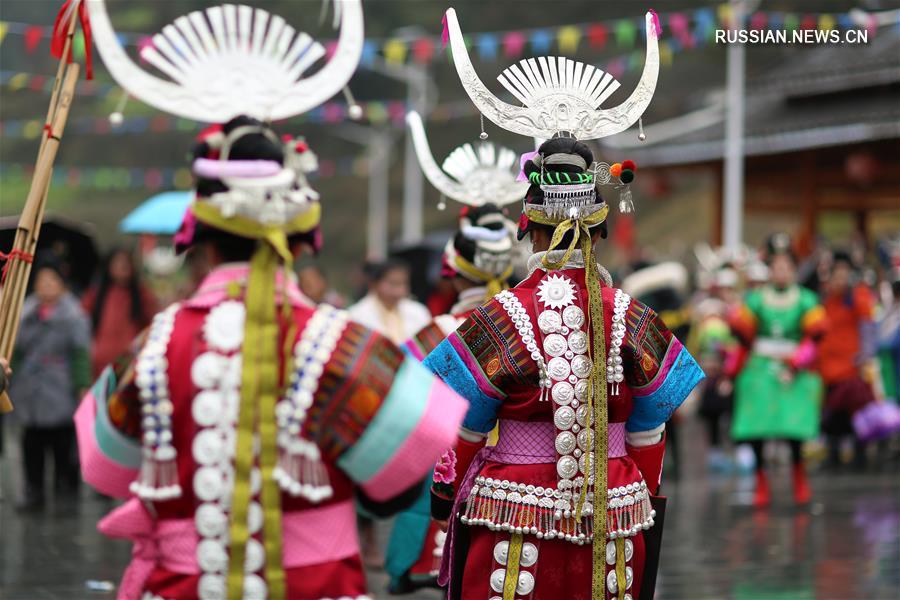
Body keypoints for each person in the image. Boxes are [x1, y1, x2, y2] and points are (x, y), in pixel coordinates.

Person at [74, 113, 468, 600]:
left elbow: (103, 458)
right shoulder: (341, 343)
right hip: (315, 585)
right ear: (296, 240)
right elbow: (403, 473)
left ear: (201, 245)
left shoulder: (154, 344)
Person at [424, 135, 703, 600]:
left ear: (530, 228)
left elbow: (463, 426)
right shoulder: (633, 316)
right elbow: (650, 427)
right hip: (615, 517)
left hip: (514, 521)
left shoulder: (497, 319)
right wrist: (641, 490)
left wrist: (445, 496)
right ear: (598, 231)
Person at [386, 204, 516, 594]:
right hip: (517, 472)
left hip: (448, 459)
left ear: (454, 274)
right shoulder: (521, 324)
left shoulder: (439, 332)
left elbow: (398, 392)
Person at [728, 234, 827, 507]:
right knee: (757, 426)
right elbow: (743, 337)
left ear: (794, 270)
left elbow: (815, 337)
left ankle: (799, 475)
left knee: (793, 429)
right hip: (761, 365)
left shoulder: (806, 300)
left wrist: (797, 364)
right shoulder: (756, 299)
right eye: (776, 266)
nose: (781, 271)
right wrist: (731, 371)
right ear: (770, 269)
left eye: (786, 267)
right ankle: (761, 480)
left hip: (794, 365)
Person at [11, 260, 91, 509]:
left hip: (59, 386)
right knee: (31, 442)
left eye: (52, 280)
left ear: (61, 284)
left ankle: (65, 488)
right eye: (42, 280)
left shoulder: (74, 314)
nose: (47, 286)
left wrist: (81, 385)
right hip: (30, 387)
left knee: (62, 443)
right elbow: (16, 351)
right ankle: (33, 489)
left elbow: (80, 353)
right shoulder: (23, 312)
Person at [817, 251, 878, 468]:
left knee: (855, 412)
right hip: (828, 368)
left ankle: (859, 456)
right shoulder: (826, 299)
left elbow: (868, 328)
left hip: (852, 366)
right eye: (837, 274)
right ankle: (833, 455)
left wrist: (867, 357)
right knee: (833, 415)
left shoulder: (858, 297)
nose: (841, 279)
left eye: (845, 274)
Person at [81, 247, 158, 377]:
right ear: (109, 266)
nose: (123, 266)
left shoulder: (142, 294)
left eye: (126, 262)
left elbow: (152, 324)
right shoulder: (96, 294)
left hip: (129, 362)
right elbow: (81, 322)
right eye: (118, 262)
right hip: (99, 363)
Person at [348, 259, 432, 345]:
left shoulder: (419, 312)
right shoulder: (356, 315)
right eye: (393, 283)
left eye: (403, 283)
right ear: (374, 284)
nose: (399, 290)